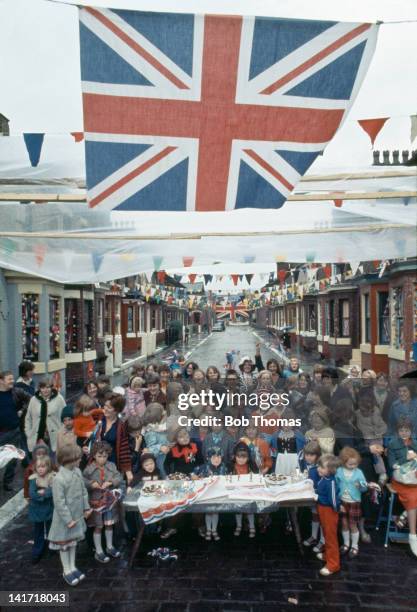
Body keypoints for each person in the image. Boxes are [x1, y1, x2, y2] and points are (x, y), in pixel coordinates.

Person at [48, 444, 92, 586]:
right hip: (64, 520)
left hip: (77, 515)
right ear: (70, 460)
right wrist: (68, 520)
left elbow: (84, 491)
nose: (80, 460)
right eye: (78, 458)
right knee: (65, 545)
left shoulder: (77, 472)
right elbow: (59, 503)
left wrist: (86, 508)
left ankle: (73, 566)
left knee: (73, 543)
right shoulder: (59, 479)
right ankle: (66, 570)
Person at [83, 441, 123, 563]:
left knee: (109, 524)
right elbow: (82, 480)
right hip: (96, 502)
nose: (102, 459)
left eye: (105, 456)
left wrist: (111, 482)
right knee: (98, 526)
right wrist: (91, 484)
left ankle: (109, 546)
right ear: (94, 455)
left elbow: (119, 477)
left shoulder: (111, 466)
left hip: (109, 501)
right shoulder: (89, 469)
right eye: (99, 456)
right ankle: (99, 550)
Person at [387, 417, 417, 558]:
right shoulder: (393, 444)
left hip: (414, 478)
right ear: (397, 431)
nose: (404, 433)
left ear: (411, 431)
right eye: (401, 430)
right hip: (401, 480)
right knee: (412, 497)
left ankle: (404, 516)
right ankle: (412, 535)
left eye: (407, 430)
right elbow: (391, 463)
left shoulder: (415, 443)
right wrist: (406, 459)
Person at [336, 447, 369, 558]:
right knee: (344, 523)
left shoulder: (359, 472)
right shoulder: (339, 471)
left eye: (355, 464)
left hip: (354, 502)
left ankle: (355, 546)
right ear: (343, 462)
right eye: (350, 464)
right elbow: (336, 485)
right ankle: (346, 544)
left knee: (353, 525)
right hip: (342, 501)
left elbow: (364, 488)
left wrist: (360, 486)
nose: (353, 466)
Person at [0, 370, 29, 491]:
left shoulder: (16, 391)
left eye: (13, 378)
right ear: (1, 381)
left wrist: (22, 410)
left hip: (13, 430)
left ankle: (8, 483)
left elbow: (31, 399)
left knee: (12, 458)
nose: (12, 381)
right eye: (9, 379)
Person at [193, 447, 228, 541]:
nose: (217, 459)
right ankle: (208, 530)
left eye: (219, 457)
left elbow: (228, 480)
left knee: (215, 511)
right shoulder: (203, 467)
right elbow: (192, 474)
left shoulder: (224, 467)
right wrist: (194, 476)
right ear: (208, 458)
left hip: (218, 494)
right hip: (206, 494)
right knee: (208, 511)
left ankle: (214, 530)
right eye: (213, 457)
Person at [25, 379, 66, 458]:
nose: (45, 390)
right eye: (43, 388)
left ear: (51, 388)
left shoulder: (59, 398)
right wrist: (28, 433)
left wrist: (63, 432)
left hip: (55, 436)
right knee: (41, 462)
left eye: (48, 387)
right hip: (38, 436)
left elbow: (65, 416)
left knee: (55, 460)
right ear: (39, 389)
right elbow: (28, 418)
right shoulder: (33, 400)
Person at [97, 393, 133, 484]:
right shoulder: (98, 419)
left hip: (112, 464)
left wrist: (128, 471)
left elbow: (124, 449)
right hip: (97, 464)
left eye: (109, 407)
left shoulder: (121, 426)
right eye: (104, 405)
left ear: (116, 410)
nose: (105, 408)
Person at [315, 454, 341, 576]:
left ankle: (333, 564)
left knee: (331, 538)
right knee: (325, 534)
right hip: (322, 509)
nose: (319, 469)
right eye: (319, 465)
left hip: (329, 511)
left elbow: (333, 501)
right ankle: (327, 555)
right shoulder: (324, 478)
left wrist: (336, 510)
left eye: (322, 467)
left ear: (330, 471)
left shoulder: (330, 482)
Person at [355, 394, 388, 485]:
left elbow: (383, 427)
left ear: (371, 409)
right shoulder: (357, 414)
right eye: (362, 410)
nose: (364, 413)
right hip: (364, 439)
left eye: (366, 411)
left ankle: (382, 473)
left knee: (376, 453)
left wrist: (377, 432)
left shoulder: (376, 413)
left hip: (375, 438)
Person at [28, 455, 55, 563]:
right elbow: (32, 494)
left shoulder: (51, 477)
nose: (40, 469)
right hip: (37, 510)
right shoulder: (33, 479)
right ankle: (37, 551)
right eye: (38, 467)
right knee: (38, 531)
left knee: (51, 529)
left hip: (48, 508)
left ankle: (51, 547)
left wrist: (44, 492)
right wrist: (44, 494)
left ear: (48, 467)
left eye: (43, 467)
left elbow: (52, 491)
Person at [230, 442, 258, 538]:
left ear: (248, 457)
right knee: (238, 510)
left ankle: (252, 526)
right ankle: (239, 525)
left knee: (249, 509)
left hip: (248, 491)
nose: (241, 459)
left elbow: (256, 478)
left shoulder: (252, 466)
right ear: (234, 456)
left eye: (244, 457)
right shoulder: (231, 466)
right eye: (239, 457)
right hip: (236, 491)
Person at [299, 441, 322, 548]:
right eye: (307, 455)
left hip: (319, 496)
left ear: (317, 455)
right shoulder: (306, 464)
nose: (308, 457)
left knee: (322, 518)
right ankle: (313, 536)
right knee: (314, 516)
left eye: (311, 455)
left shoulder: (320, 468)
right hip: (310, 495)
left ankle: (322, 541)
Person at [141, 402, 170, 478]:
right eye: (162, 411)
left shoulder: (161, 426)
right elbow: (149, 449)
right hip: (160, 460)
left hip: (167, 457)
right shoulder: (150, 432)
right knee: (164, 478)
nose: (165, 412)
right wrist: (159, 447)